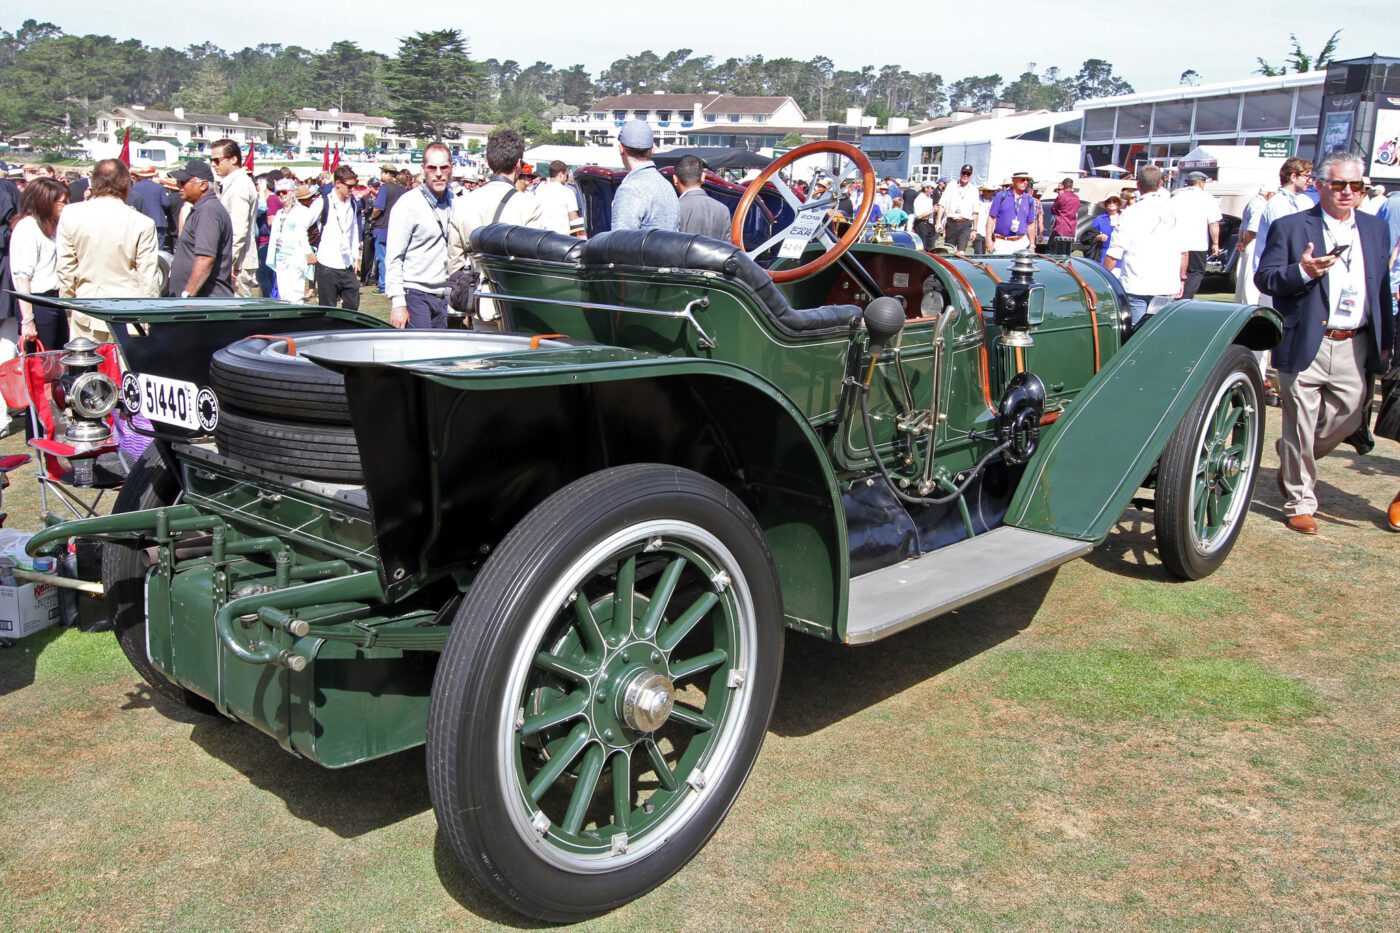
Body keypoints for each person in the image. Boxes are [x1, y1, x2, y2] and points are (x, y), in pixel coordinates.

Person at [1254, 151, 1395, 535]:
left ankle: (1292, 457)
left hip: (1356, 342)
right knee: (1299, 420)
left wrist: (1386, 340)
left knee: (1349, 416)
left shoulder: (1375, 228)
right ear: (1319, 186)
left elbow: (1379, 285)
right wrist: (1303, 271)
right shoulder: (1291, 226)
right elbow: (1265, 279)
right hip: (1306, 340)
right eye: (1339, 185)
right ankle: (1300, 500)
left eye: (1357, 186)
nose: (1348, 192)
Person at [55, 159, 160, 341]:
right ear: (126, 184)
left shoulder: (71, 214)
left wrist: (69, 304)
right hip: (129, 314)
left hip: (86, 309)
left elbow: (65, 269)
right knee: (124, 369)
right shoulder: (142, 223)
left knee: (88, 367)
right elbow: (148, 278)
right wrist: (150, 318)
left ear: (94, 183)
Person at [448, 130, 543, 325]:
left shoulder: (463, 203)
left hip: (477, 303)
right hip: (515, 304)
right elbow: (534, 263)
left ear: (489, 161)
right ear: (518, 164)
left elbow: (455, 261)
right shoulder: (528, 204)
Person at [1103, 164, 1185, 327]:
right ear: (1161, 183)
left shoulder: (1130, 213)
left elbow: (1114, 254)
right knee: (1160, 332)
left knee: (1135, 334)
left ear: (1138, 186)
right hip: (1165, 283)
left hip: (1136, 282)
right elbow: (1184, 252)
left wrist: (1103, 276)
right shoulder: (1175, 211)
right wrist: (1182, 278)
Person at [386, 142, 454, 330]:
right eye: (432, 167)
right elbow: (393, 256)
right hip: (415, 294)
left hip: (444, 295)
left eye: (444, 167)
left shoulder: (455, 201)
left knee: (442, 358)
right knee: (419, 356)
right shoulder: (408, 204)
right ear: (424, 169)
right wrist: (398, 302)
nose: (438, 173)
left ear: (451, 168)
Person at [8, 176, 70, 349]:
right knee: (41, 364)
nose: (66, 205)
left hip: (54, 300)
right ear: (46, 202)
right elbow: (22, 278)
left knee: (58, 359)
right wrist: (28, 320)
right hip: (37, 303)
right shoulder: (27, 228)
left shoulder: (53, 227)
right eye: (63, 202)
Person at [167, 160, 234, 299]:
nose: (178, 186)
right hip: (199, 303)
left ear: (203, 184)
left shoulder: (208, 211)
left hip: (204, 304)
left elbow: (205, 258)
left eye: (183, 181)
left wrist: (188, 295)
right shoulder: (202, 208)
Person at [1254, 158, 1314, 291]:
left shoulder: (1297, 201)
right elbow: (1285, 239)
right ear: (1293, 176)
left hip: (1286, 270)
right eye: (1307, 176)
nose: (1310, 181)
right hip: (1275, 271)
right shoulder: (1279, 204)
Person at [210, 139, 259, 297]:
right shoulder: (232, 183)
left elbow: (238, 228)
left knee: (237, 312)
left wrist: (229, 262)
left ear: (233, 159)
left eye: (217, 160)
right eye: (211, 160)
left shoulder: (240, 185)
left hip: (238, 263)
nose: (214, 164)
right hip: (236, 260)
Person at [610, 120, 678, 232]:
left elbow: (620, 243)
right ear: (652, 149)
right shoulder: (667, 185)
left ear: (621, 148)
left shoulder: (630, 189)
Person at [313, 165, 364, 309]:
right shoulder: (323, 202)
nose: (352, 189)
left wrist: (356, 258)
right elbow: (302, 226)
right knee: (328, 310)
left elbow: (353, 231)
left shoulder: (352, 203)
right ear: (338, 183)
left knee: (352, 306)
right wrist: (308, 252)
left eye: (354, 186)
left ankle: (347, 331)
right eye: (349, 186)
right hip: (327, 264)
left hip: (347, 264)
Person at [1172, 171, 1222, 298]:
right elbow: (1213, 223)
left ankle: (1175, 295)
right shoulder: (1207, 198)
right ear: (1200, 182)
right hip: (1198, 243)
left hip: (1178, 241)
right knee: (1196, 272)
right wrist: (1215, 243)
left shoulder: (1176, 197)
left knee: (1177, 271)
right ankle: (1186, 298)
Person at [266, 180, 315, 303]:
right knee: (284, 293)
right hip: (280, 256)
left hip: (295, 256)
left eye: (284, 192)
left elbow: (303, 234)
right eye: (279, 193)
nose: (281, 195)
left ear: (292, 193)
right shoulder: (279, 213)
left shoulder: (302, 211)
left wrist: (308, 253)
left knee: (295, 292)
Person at [368, 165, 407, 292]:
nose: (381, 175)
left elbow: (378, 208)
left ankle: (383, 285)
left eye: (383, 173)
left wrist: (371, 217)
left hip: (383, 227)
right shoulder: (403, 189)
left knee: (382, 258)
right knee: (396, 258)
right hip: (399, 228)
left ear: (388, 174)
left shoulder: (385, 188)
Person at [673, 155, 730, 241]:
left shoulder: (674, 209)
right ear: (703, 177)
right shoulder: (723, 210)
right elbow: (728, 248)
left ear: (675, 179)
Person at [984, 171, 1038, 254]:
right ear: (1014, 180)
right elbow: (991, 218)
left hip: (1021, 243)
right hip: (1001, 243)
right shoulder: (1001, 196)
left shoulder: (1029, 200)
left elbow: (1031, 224)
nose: (1025, 182)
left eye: (1027, 180)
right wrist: (988, 239)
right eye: (1023, 180)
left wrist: (1032, 245)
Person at [935, 164, 980, 253]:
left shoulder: (974, 190)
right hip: (951, 223)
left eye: (968, 174)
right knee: (948, 251)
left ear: (970, 176)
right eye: (964, 173)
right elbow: (942, 205)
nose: (965, 175)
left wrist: (974, 230)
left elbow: (975, 212)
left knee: (961, 252)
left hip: (965, 224)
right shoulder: (951, 186)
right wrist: (938, 221)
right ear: (960, 173)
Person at [126, 165, 170, 249]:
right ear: (152, 175)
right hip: (158, 222)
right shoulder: (159, 187)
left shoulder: (134, 187)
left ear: (140, 176)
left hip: (140, 222)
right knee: (158, 250)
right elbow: (166, 204)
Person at [536, 160, 582, 236]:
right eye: (566, 174)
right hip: (561, 237)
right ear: (561, 174)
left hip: (542, 236)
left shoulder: (539, 190)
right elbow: (573, 220)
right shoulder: (568, 192)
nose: (566, 178)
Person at [1083, 195, 1121, 264]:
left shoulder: (1124, 218)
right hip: (1103, 256)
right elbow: (1088, 236)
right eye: (1109, 201)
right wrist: (1098, 237)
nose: (1112, 203)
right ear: (1106, 204)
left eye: (1114, 201)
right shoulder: (1099, 219)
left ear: (1118, 204)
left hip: (1121, 257)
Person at [1049, 177, 1081, 251]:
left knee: (1053, 248)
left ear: (1063, 186)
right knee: (1067, 251)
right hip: (1071, 228)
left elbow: (1054, 208)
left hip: (1061, 227)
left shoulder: (1062, 197)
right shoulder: (1077, 198)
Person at [912, 181, 937, 250]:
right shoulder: (919, 199)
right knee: (922, 246)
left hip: (929, 224)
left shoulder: (929, 199)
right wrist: (933, 210)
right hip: (921, 224)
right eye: (931, 188)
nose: (933, 189)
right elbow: (919, 216)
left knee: (930, 246)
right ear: (926, 188)